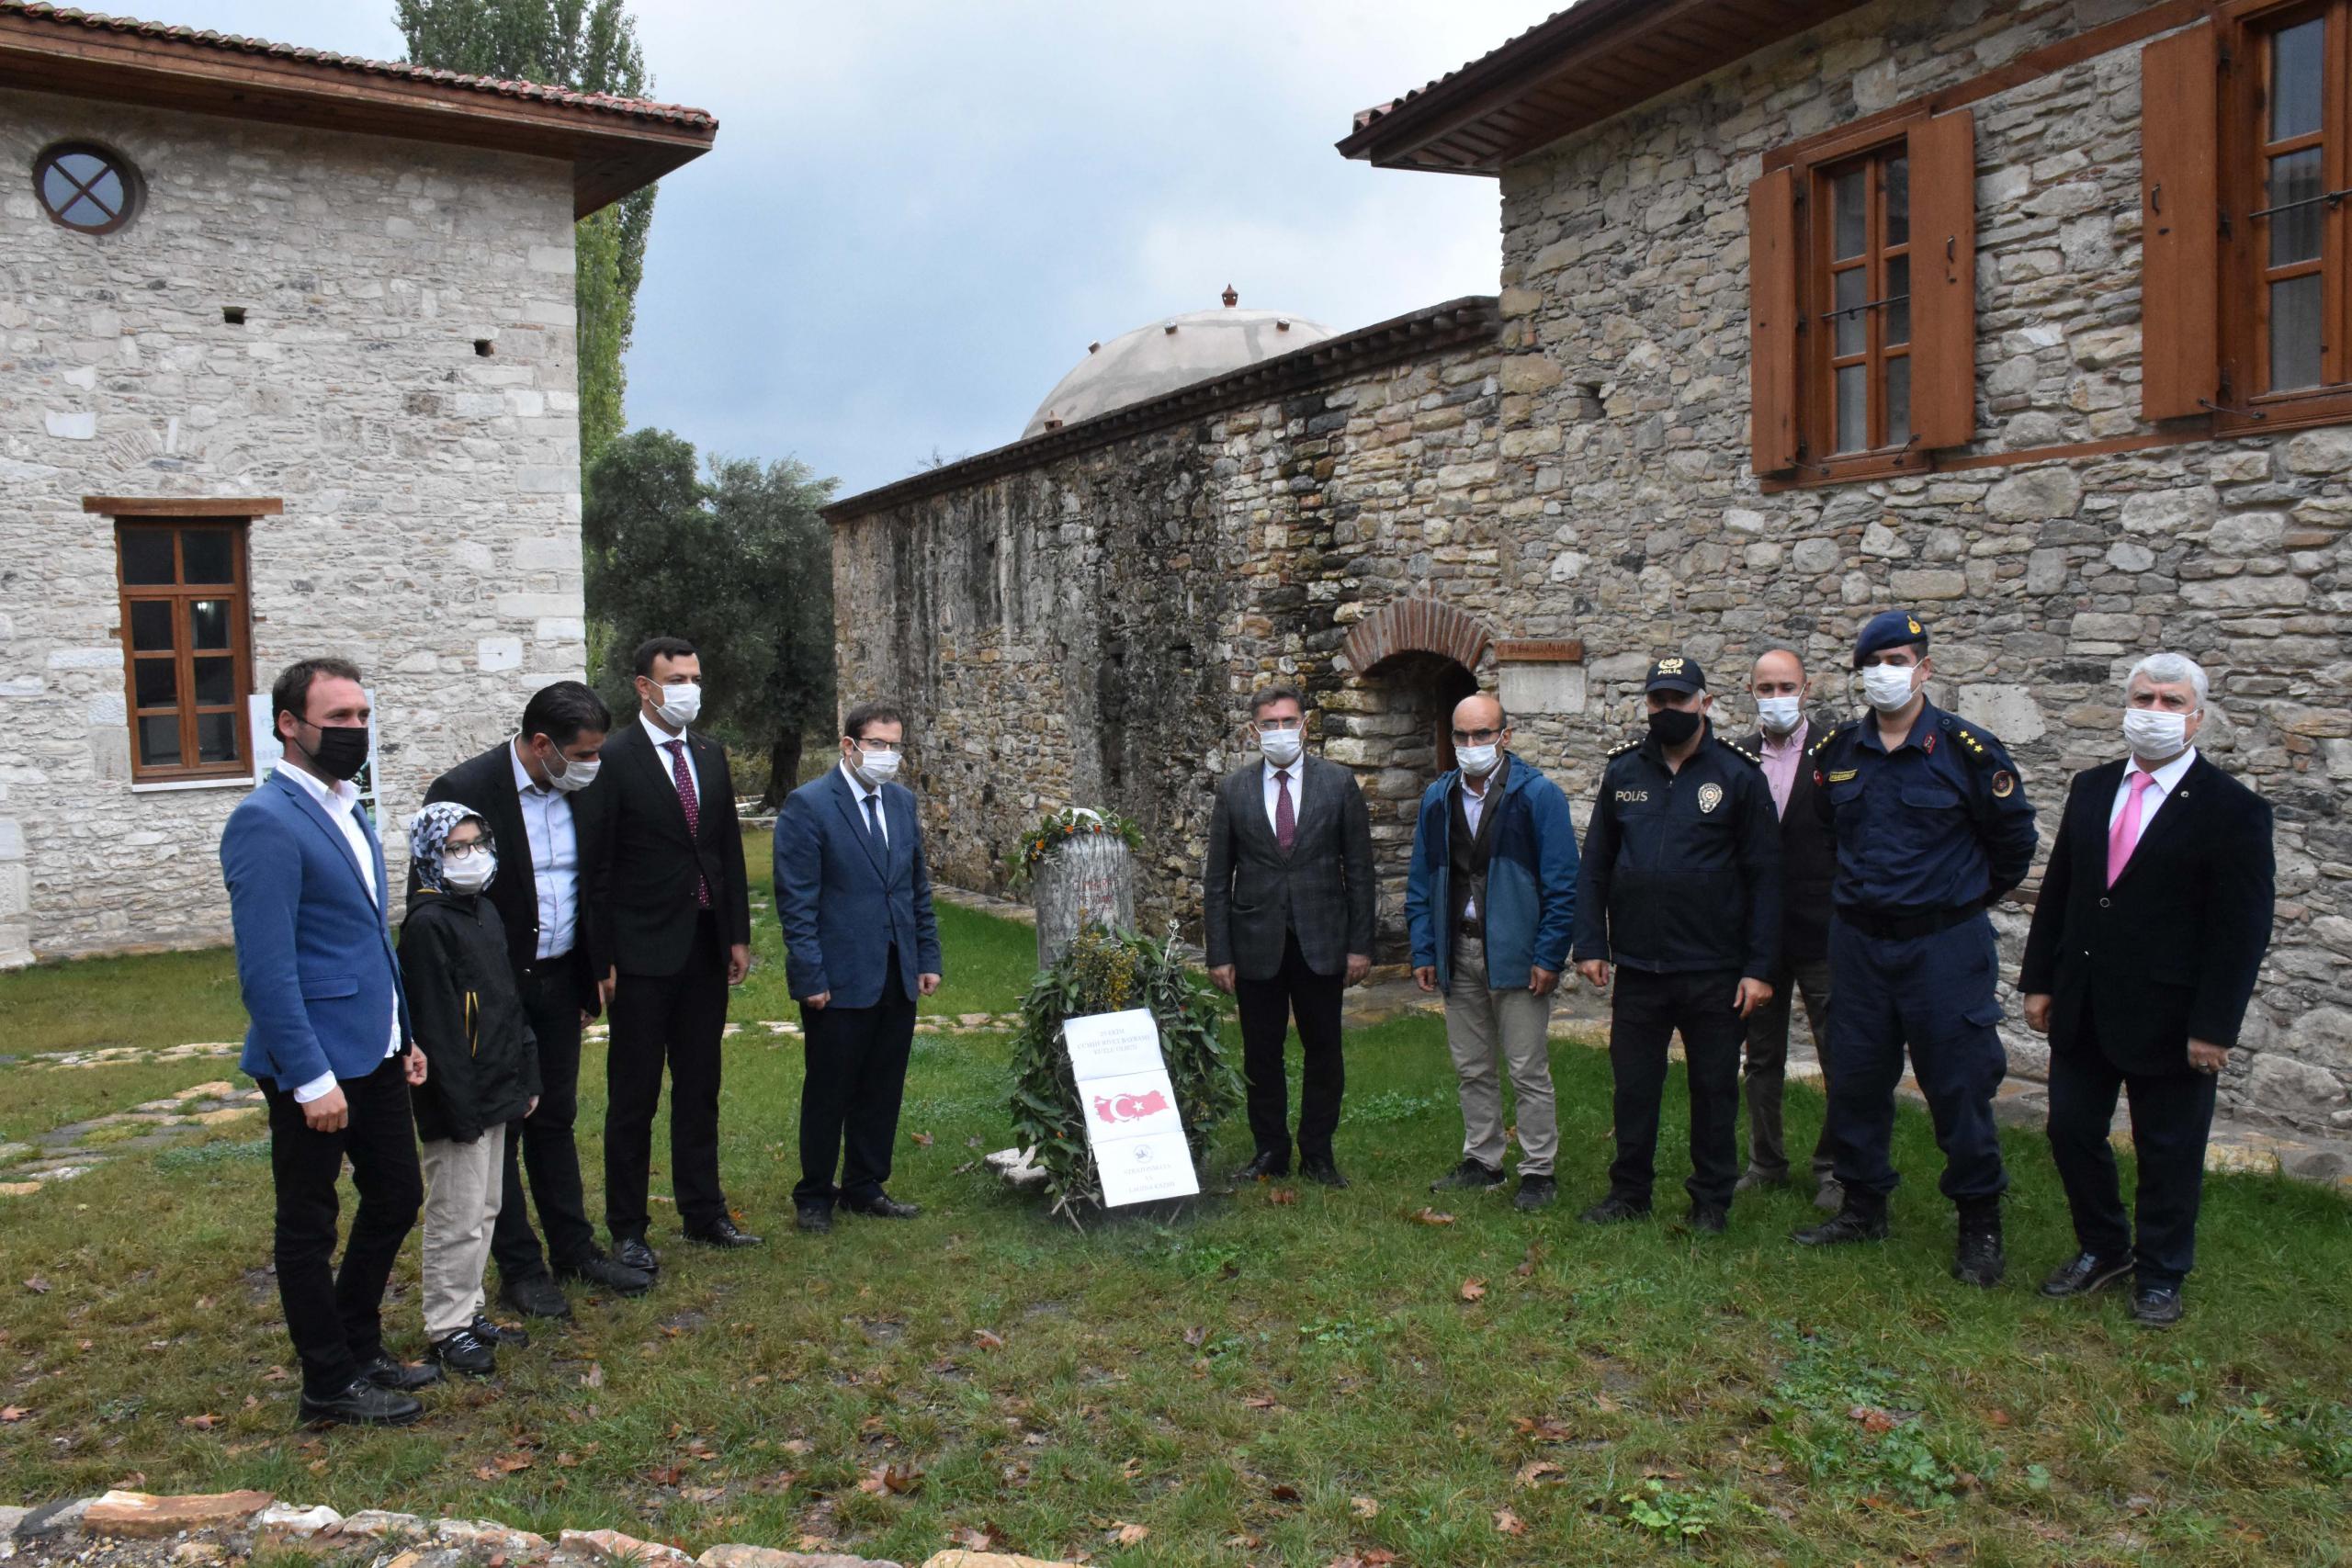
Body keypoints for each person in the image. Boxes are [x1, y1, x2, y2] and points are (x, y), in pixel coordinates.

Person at [2020, 652, 2275, 1328]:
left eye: (2170, 701)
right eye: (2143, 697)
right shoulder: (2092, 785)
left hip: (2172, 1013)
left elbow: (2241, 928)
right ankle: (2104, 1246)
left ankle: (2162, 1270)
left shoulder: (2233, 810)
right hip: (2084, 1001)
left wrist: (2215, 1024)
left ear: (2196, 717)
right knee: (2071, 1129)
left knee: (2168, 1147)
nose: (2154, 712)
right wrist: (2039, 980)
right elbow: (2064, 891)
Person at [1792, 612, 2038, 1287]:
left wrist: (1954, 897)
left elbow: (2013, 845)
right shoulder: (1837, 753)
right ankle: (1864, 1205)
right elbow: (1830, 834)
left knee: (1959, 1086)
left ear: (1924, 668)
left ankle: (1979, 1224)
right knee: (1858, 1080)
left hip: (1942, 947)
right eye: (1874, 661)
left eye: (1899, 659)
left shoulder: (1968, 751)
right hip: (1861, 945)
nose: (1886, 672)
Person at [220, 657, 435, 1427]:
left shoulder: (350, 806)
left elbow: (369, 940)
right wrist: (309, 1076)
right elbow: (267, 969)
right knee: (308, 1222)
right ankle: (327, 1382)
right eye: (337, 717)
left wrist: (402, 1031)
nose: (354, 730)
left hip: (374, 1048)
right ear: (290, 724)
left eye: (361, 717)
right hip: (310, 1062)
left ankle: (356, 1339)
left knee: (398, 1194)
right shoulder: (265, 819)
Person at [421, 682, 651, 1315]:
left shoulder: (584, 786)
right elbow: (440, 900)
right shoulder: (464, 791)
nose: (593, 764)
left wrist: (593, 965)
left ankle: (574, 1248)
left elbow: (593, 879)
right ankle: (521, 1266)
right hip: (494, 990)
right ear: (542, 744)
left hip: (561, 978)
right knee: (504, 1126)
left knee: (555, 1115)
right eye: (582, 752)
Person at [1572, 656, 1781, 1232]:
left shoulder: (1739, 776)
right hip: (1640, 967)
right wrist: (1591, 942)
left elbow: (1767, 878)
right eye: (1659, 701)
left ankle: (1711, 1201)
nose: (1669, 711)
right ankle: (1629, 1193)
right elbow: (1596, 866)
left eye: (1680, 700)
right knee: (1634, 1087)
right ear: (1648, 705)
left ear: (1705, 704)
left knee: (1714, 1090)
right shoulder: (1624, 773)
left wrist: (1760, 967)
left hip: (1714, 969)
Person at [589, 636, 759, 1269]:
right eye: (675, 677)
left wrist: (735, 932)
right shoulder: (612, 758)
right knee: (633, 1094)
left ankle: (704, 1209)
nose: (688, 687)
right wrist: (600, 955)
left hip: (704, 945)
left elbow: (726, 851)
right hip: (639, 953)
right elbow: (599, 866)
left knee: (700, 1084)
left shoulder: (711, 755)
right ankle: (628, 1225)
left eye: (694, 675)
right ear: (644, 686)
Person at [1405, 693, 1579, 1211]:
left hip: (1519, 954)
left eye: (1483, 734)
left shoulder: (1538, 797)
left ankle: (1538, 1170)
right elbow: (1421, 881)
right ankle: (1483, 1159)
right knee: (1472, 1066)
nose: (1472, 745)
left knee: (1527, 1067)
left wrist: (1549, 955)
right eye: (1462, 736)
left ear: (1505, 735)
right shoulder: (1437, 800)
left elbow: (1563, 884)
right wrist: (1424, 949)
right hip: (1459, 949)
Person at [775, 701, 944, 1234]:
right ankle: (815, 1194)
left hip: (897, 970)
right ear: (850, 745)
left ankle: (865, 1185)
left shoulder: (901, 803)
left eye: (895, 746)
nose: (887, 755)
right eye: (877, 744)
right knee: (830, 1087)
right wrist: (810, 976)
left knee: (882, 1085)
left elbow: (916, 886)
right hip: (839, 975)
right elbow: (797, 902)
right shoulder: (809, 806)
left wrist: (926, 957)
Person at [1203, 683, 1376, 1187]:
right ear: (1253, 731)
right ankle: (1270, 1151)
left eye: (1289, 721)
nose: (1280, 732)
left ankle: (1318, 1154)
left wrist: (1360, 945)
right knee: (1262, 1052)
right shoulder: (1233, 790)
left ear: (1305, 725)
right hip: (1256, 941)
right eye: (1269, 723)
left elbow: (1361, 870)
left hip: (1322, 941)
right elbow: (1217, 878)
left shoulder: (1338, 784)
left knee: (1325, 1050)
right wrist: (1220, 952)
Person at [399, 804, 540, 1378]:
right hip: (458, 1098)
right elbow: (437, 1028)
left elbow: (506, 1002)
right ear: (432, 857)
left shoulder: (484, 913)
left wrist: (524, 1075)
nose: (471, 855)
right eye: (456, 848)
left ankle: (471, 1306)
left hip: (496, 1085)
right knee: (455, 1212)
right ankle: (446, 1325)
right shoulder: (428, 926)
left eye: (478, 842)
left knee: (486, 1206)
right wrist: (459, 1108)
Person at [1736, 647, 1843, 1210]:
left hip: (1823, 927)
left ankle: (1834, 1167)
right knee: (1761, 1055)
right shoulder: (1737, 756)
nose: (1776, 698)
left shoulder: (1837, 751)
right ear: (1750, 690)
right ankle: (1765, 1161)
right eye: (1765, 687)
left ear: (1806, 688)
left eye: (1786, 687)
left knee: (1837, 1053)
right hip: (1759, 936)